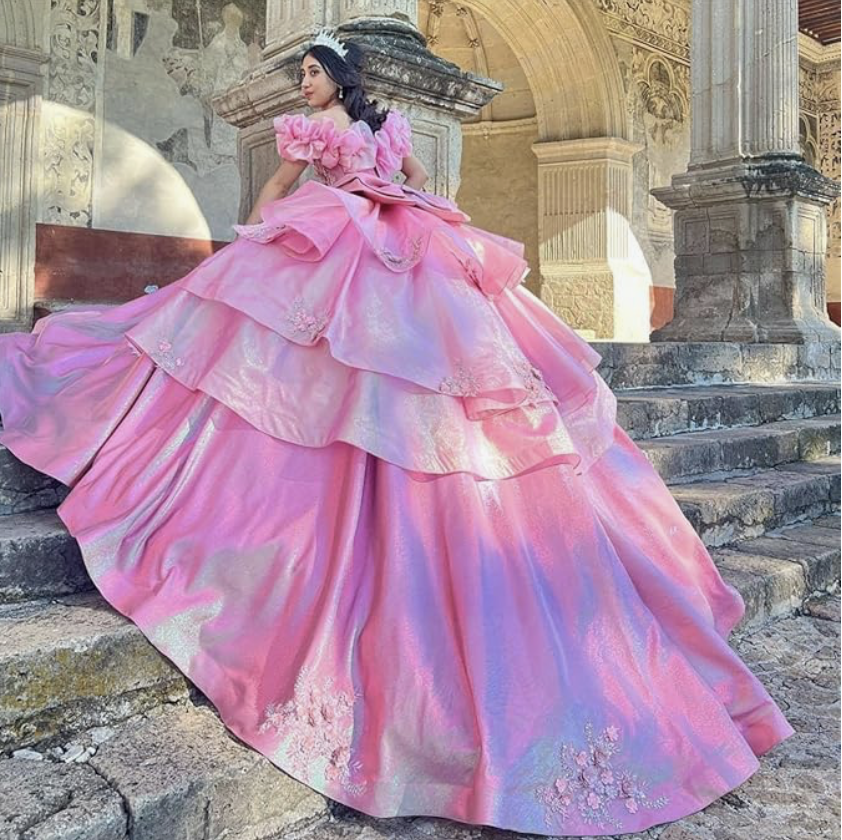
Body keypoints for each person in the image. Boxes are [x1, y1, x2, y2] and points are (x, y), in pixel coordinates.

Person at [0, 29, 793, 838]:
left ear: (340, 78)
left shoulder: (383, 130)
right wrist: (308, 218)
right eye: (301, 73)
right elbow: (270, 203)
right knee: (333, 369)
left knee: (429, 378)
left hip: (403, 249)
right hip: (334, 249)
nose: (303, 84)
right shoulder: (305, 135)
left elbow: (421, 182)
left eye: (312, 73)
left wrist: (395, 200)